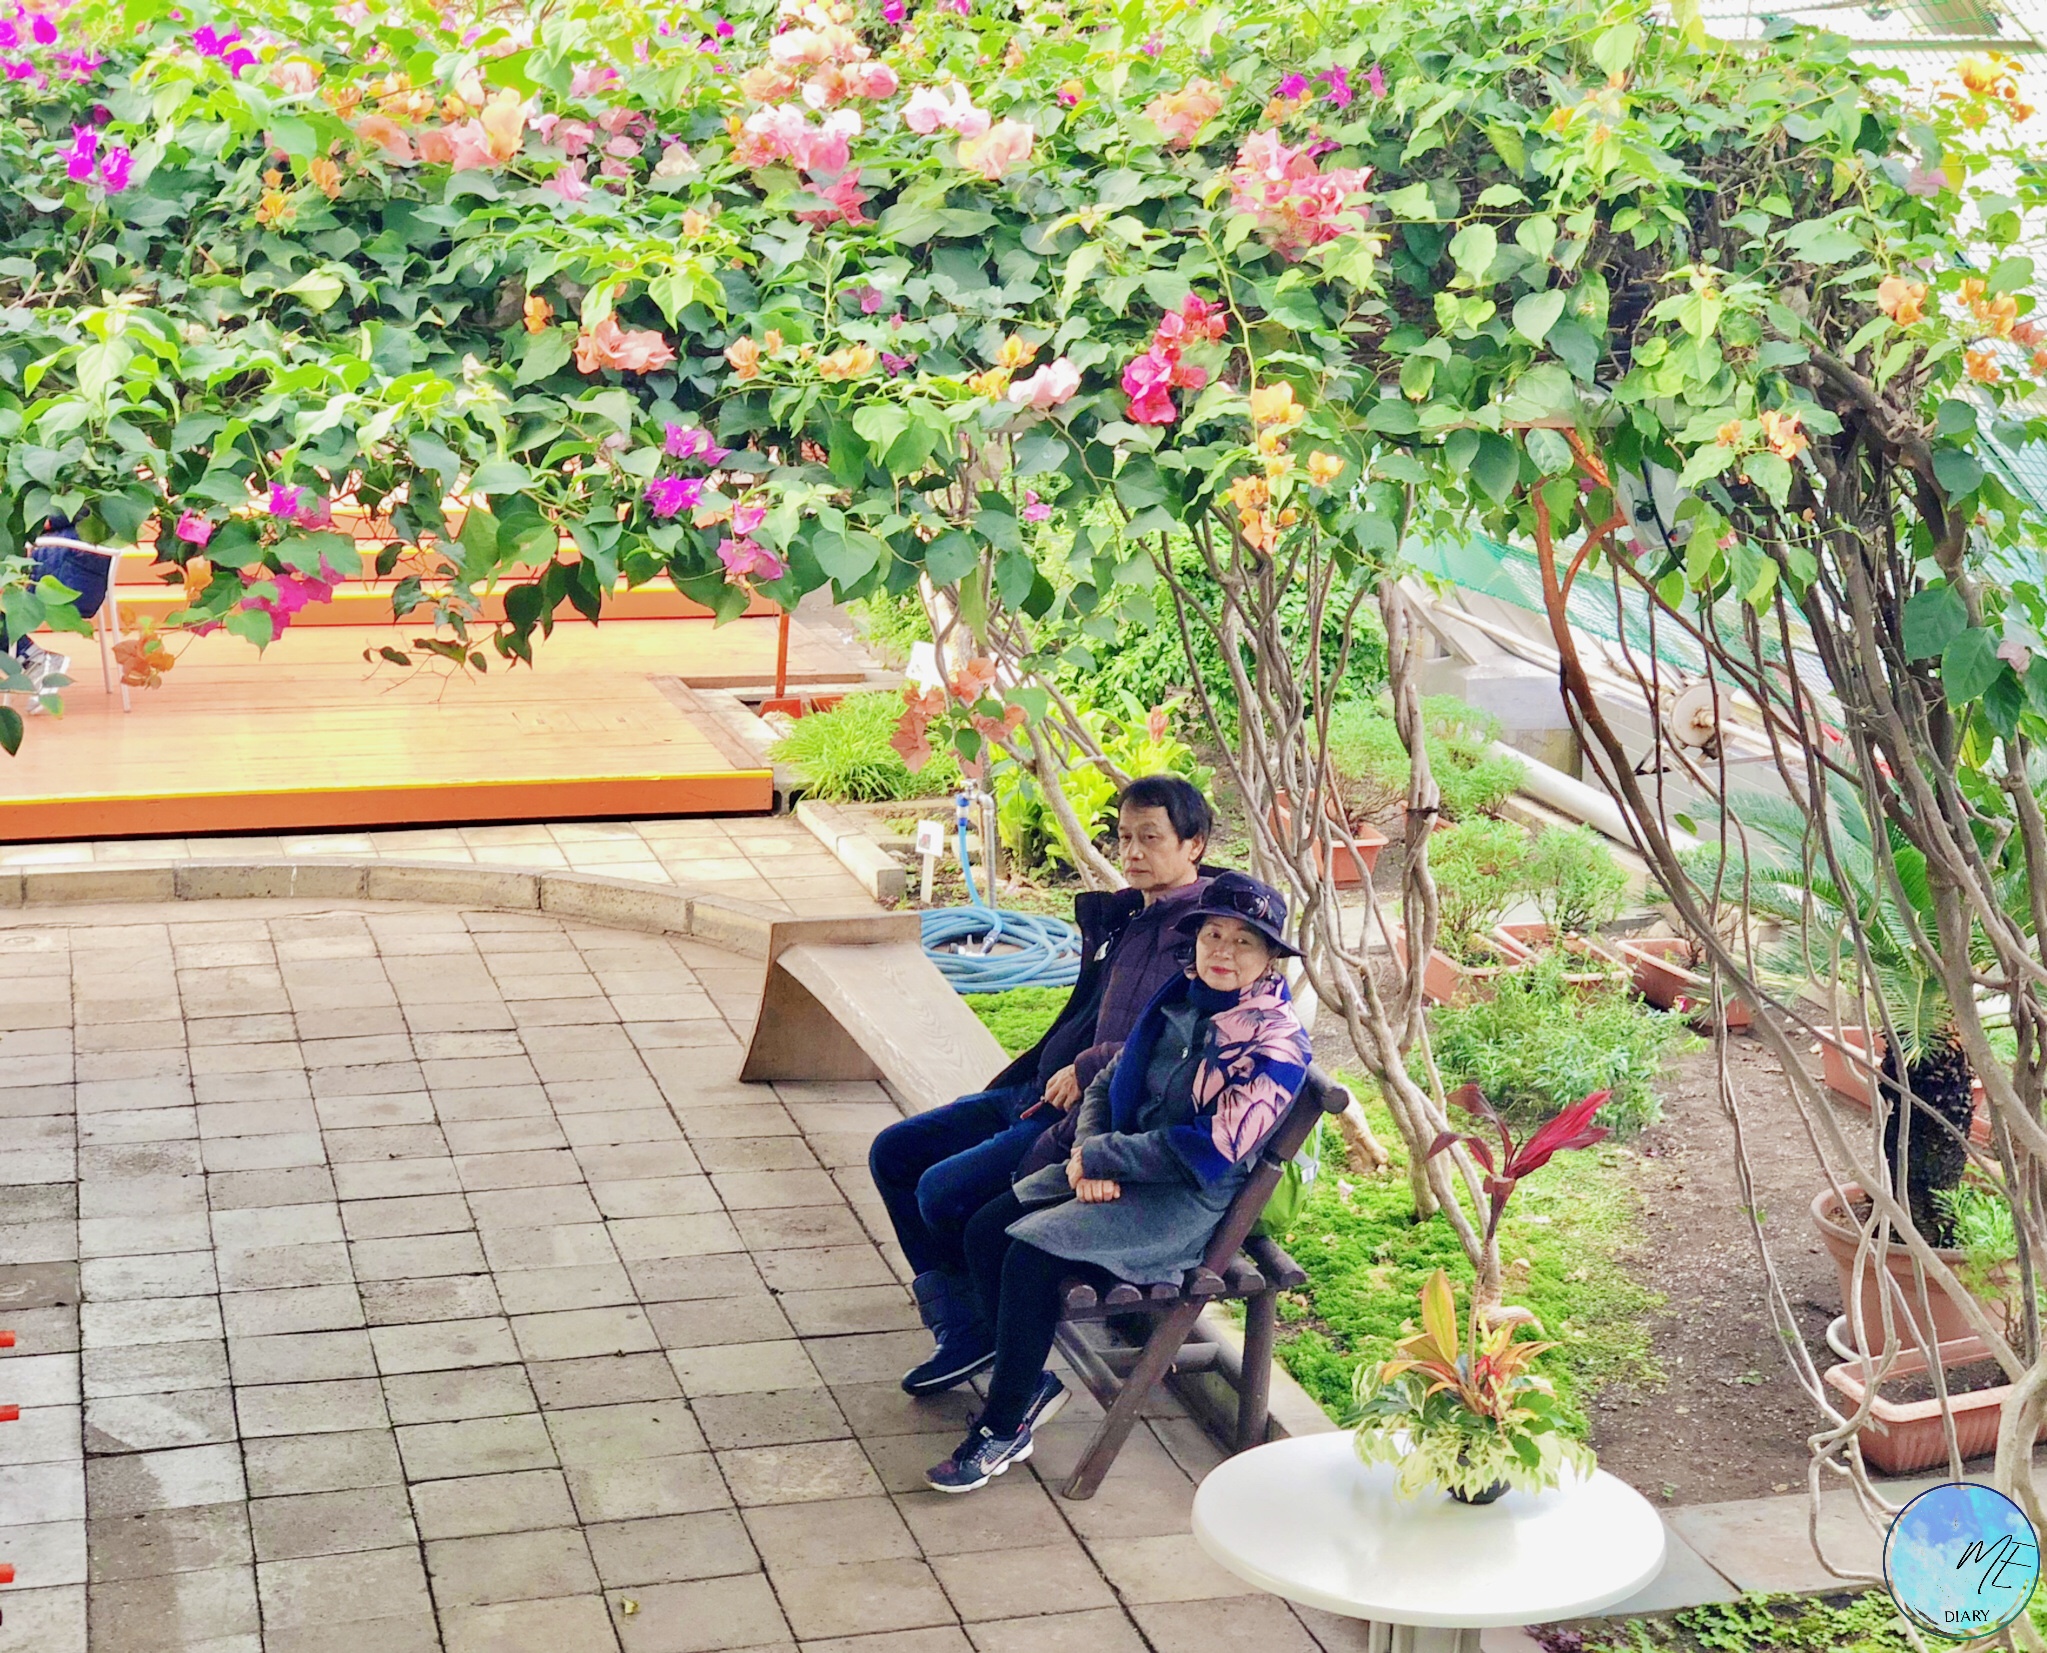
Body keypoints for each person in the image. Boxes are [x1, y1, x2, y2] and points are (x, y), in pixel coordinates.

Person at [927, 870, 1311, 1492]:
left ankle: (1002, 1426)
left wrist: (1103, 1158)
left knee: (1028, 1257)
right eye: (1213, 934)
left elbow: (1211, 1150)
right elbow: (1109, 1080)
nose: (1223, 951)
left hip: (1184, 1199)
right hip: (1120, 1162)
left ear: (1270, 957)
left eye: (1244, 941)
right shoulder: (1181, 995)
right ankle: (1027, 1386)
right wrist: (1088, 1150)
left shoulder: (1273, 1044)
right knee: (984, 1229)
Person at [870, 774, 1218, 1395]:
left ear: (1194, 845)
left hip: (1085, 1120)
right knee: (895, 1152)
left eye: (1151, 838)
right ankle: (964, 1323)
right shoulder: (1133, 915)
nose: (1132, 852)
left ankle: (993, 1335)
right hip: (1036, 1091)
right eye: (1124, 837)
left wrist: (1087, 1067)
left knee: (943, 1194)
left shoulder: (1208, 937)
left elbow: (1189, 1045)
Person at [4, 520, 110, 697]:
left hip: (67, 576)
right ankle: (30, 656)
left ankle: (30, 656)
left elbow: (47, 519)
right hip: (58, 565)